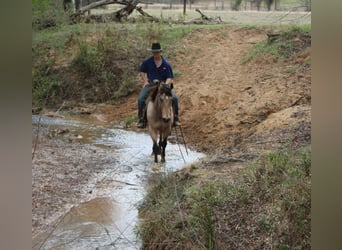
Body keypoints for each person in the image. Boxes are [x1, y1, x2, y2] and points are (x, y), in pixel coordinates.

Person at [137, 42, 181, 128]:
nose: (155, 54)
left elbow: (170, 77)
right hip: (151, 84)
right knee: (140, 99)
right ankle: (141, 119)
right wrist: (145, 81)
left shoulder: (166, 64)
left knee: (175, 98)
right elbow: (142, 71)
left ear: (160, 52)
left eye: (157, 52)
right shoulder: (147, 62)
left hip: (164, 84)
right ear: (152, 52)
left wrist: (165, 84)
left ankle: (175, 118)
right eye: (154, 52)